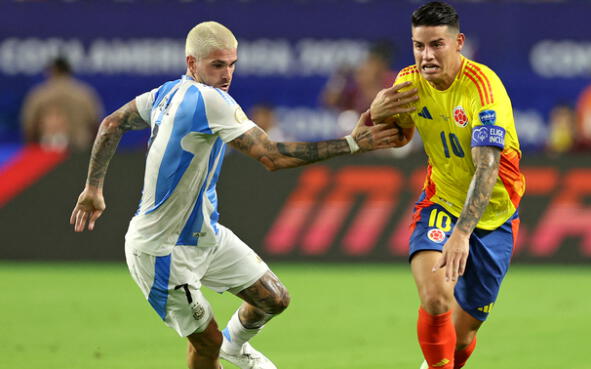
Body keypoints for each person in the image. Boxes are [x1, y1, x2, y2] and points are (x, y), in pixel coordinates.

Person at [69, 21, 400, 369]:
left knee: (274, 299)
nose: (227, 74)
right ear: (192, 63)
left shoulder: (165, 93)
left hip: (204, 236)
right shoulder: (210, 101)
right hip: (161, 249)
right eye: (217, 65)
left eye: (232, 64)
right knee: (205, 342)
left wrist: (93, 187)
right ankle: (222, 347)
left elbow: (112, 123)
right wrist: (352, 143)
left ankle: (236, 346)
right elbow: (273, 157)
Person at [369, 3, 525, 368]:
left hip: (496, 215)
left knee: (464, 334)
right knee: (436, 297)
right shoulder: (408, 82)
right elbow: (398, 135)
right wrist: (376, 113)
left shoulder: (483, 89)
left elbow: (487, 167)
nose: (426, 56)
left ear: (459, 43)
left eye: (437, 45)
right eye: (418, 46)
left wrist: (462, 234)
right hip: (441, 202)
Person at [20, 57, 103, 152]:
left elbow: (29, 126)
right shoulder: (84, 94)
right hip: (80, 150)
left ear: (52, 71)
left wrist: (33, 150)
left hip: (46, 152)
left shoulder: (40, 94)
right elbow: (96, 125)